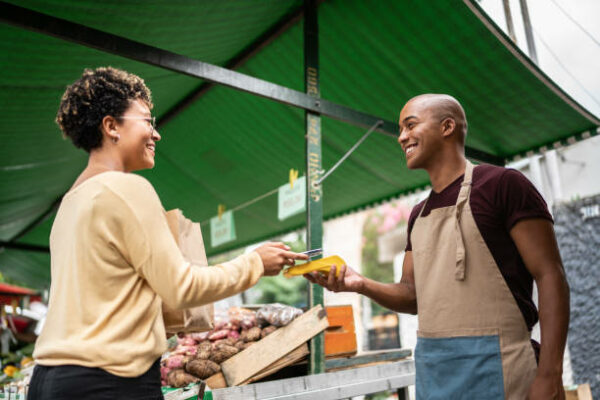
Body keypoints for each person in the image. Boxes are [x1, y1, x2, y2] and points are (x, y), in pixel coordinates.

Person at [29, 67, 308, 400]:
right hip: (110, 382)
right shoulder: (127, 188)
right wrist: (255, 263)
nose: (156, 134)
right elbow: (182, 288)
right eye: (147, 121)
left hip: (50, 380)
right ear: (111, 126)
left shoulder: (69, 204)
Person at [306, 94, 569, 399]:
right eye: (401, 129)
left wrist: (551, 373)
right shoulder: (418, 215)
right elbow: (412, 294)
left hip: (503, 371)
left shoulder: (503, 185)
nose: (401, 137)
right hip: (436, 376)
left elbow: (551, 276)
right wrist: (360, 283)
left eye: (410, 125)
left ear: (447, 127)